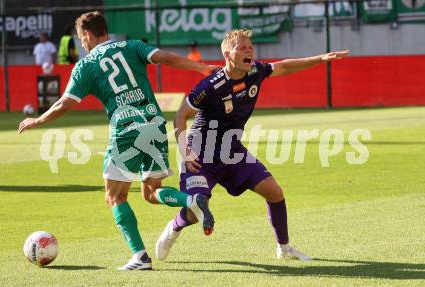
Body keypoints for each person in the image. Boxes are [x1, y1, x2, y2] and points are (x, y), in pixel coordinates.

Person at [18, 11, 217, 271]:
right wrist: (200, 67)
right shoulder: (133, 45)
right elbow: (165, 58)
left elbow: (64, 102)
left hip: (127, 129)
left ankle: (140, 256)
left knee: (115, 196)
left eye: (81, 39)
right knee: (150, 192)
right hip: (155, 124)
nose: (82, 44)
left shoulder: (86, 64)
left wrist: (38, 120)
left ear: (88, 34)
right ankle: (190, 200)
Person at [156, 28, 349, 262]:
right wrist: (185, 151)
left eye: (250, 47)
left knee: (275, 192)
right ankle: (174, 228)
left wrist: (320, 58)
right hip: (200, 154)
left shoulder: (256, 71)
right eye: (242, 48)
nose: (249, 51)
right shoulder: (210, 86)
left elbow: (285, 66)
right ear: (228, 54)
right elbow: (180, 115)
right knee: (195, 212)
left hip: (232, 150)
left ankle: (285, 248)